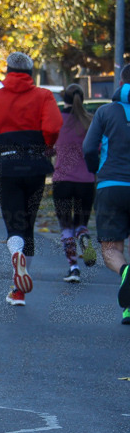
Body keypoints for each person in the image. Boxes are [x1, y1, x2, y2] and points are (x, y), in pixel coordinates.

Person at [0, 52, 62, 306]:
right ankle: (18, 290)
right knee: (28, 224)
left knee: (13, 223)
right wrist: (46, 145)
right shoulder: (44, 96)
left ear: (8, 71)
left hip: (7, 165)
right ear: (31, 72)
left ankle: (16, 256)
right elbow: (54, 127)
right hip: (35, 165)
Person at [83, 65, 130, 324]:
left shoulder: (104, 112)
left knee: (112, 249)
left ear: (121, 82)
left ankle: (125, 272)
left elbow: (89, 147)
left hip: (111, 185)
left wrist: (95, 170)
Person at [53, 84, 97, 283]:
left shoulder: (57, 121)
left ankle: (73, 267)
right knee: (81, 223)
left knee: (66, 227)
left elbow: (49, 147)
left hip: (62, 180)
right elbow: (97, 149)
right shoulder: (90, 122)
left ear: (64, 99)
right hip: (86, 181)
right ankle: (84, 236)